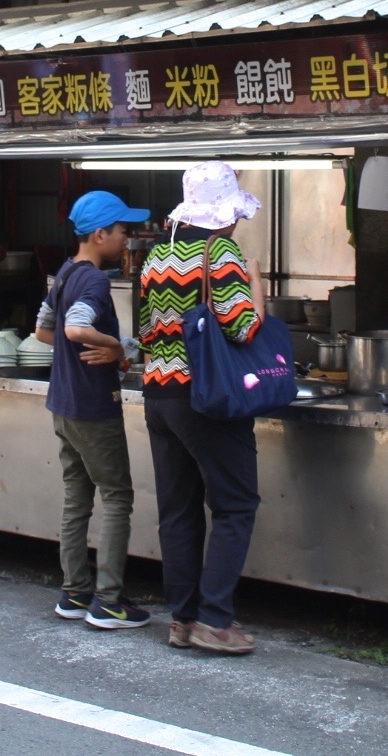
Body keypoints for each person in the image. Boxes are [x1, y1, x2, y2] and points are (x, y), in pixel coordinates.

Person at [137, 160, 265, 655]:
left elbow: (147, 332)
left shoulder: (155, 258)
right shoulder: (221, 252)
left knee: (179, 511)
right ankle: (214, 620)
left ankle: (182, 620)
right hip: (207, 397)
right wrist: (257, 295)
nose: (236, 223)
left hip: (160, 396)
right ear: (221, 215)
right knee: (235, 505)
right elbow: (241, 327)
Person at [36, 190, 152, 630]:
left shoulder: (66, 273)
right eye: (123, 231)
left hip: (63, 404)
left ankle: (74, 592)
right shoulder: (96, 281)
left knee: (76, 497)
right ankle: (108, 602)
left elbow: (44, 332)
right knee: (118, 496)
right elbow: (74, 327)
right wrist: (115, 348)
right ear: (100, 234)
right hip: (92, 407)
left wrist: (88, 347)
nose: (128, 238)